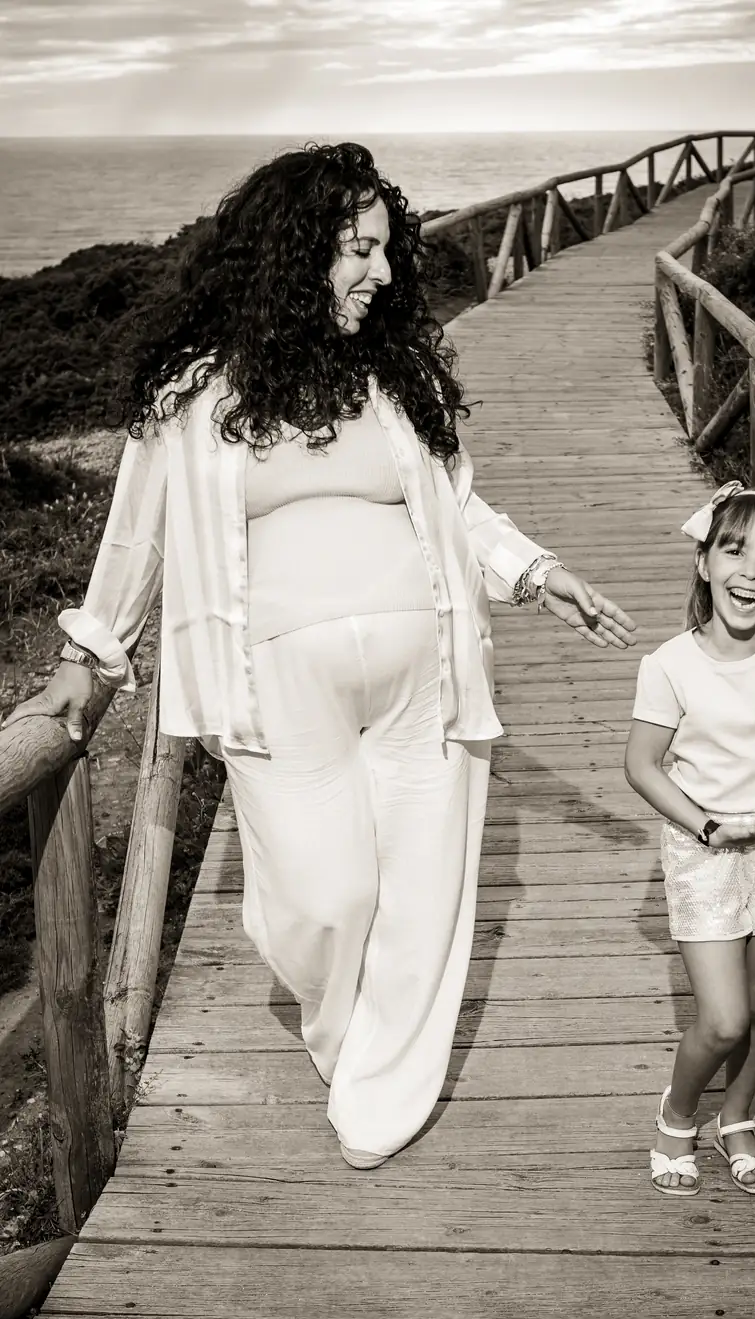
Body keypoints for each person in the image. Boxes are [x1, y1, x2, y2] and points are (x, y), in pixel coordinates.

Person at [3, 143, 636, 1170]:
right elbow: (137, 540)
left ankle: (385, 1085)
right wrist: (92, 654)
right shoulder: (193, 398)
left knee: (425, 889)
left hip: (424, 679)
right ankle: (348, 1040)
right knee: (323, 897)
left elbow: (455, 509)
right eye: (356, 251)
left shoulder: (397, 376)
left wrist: (533, 572)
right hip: (270, 695)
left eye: (385, 252)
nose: (379, 274)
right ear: (294, 254)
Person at [624, 480, 755, 1196]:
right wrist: (702, 823)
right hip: (706, 850)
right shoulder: (670, 665)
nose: (750, 571)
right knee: (721, 1018)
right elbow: (641, 765)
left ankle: (736, 1120)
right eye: (733, 549)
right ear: (704, 563)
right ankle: (677, 1117)